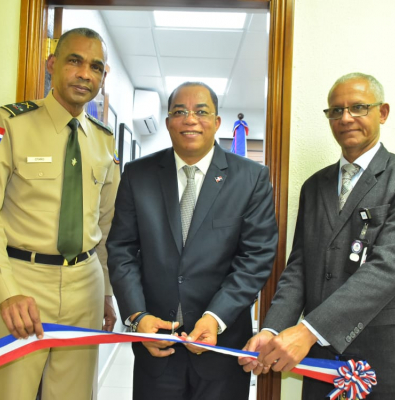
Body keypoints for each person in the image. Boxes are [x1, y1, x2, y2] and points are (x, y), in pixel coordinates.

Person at [239, 72, 395, 399]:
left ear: (382, 112)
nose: (345, 118)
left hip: (391, 363)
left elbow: (388, 268)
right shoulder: (314, 186)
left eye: (358, 107)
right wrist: (271, 328)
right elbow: (300, 267)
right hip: (321, 364)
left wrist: (306, 331)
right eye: (335, 110)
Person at [0, 27, 119, 400]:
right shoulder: (10, 123)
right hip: (23, 284)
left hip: (85, 287)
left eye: (96, 67)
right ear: (52, 65)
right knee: (12, 394)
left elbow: (106, 225)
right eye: (75, 61)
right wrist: (5, 293)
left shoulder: (104, 140)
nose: (85, 73)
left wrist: (106, 293)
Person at [106, 82, 279, 400]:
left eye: (201, 111)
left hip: (220, 345)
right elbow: (122, 250)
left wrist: (216, 317)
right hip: (155, 342)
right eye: (179, 112)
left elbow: (256, 257)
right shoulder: (138, 175)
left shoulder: (251, 178)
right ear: (169, 121)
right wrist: (137, 316)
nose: (190, 119)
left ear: (216, 122)